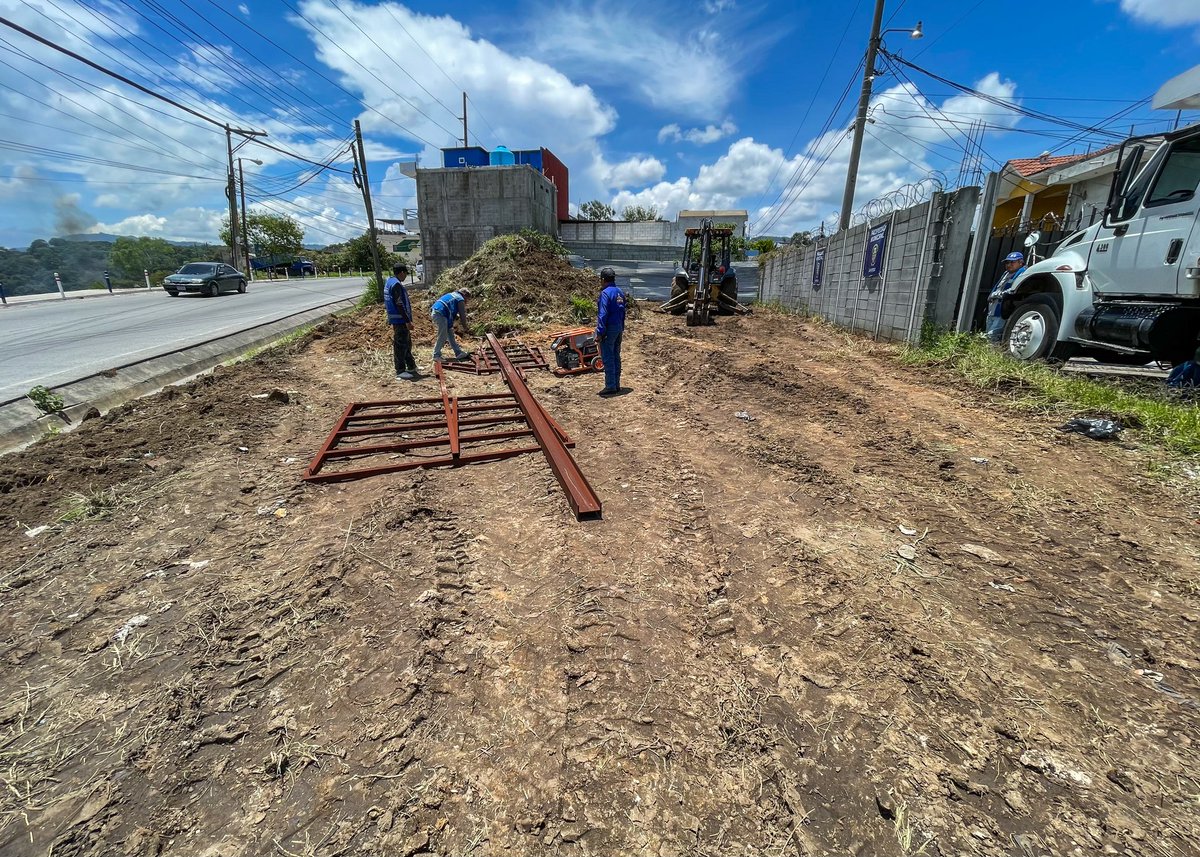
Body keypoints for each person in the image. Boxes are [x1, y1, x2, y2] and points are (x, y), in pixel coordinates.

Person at [594, 267, 627, 396]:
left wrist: (600, 332)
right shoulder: (620, 292)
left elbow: (603, 314)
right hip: (618, 328)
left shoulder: (605, 293)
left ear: (603, 279)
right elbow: (623, 312)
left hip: (609, 329)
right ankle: (616, 384)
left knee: (608, 357)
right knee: (616, 356)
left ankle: (610, 386)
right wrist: (621, 328)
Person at [384, 263, 419, 380]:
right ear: (402, 272)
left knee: (407, 343)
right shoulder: (396, 285)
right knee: (400, 345)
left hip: (397, 319)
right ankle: (400, 370)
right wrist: (407, 321)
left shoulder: (390, 281)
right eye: (405, 274)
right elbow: (399, 303)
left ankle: (411, 366)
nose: (405, 277)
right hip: (400, 320)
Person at [986, 251, 1026, 343]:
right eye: (1007, 262)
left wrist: (995, 295)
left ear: (1020, 262)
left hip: (1003, 311)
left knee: (993, 336)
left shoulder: (1022, 273)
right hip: (993, 310)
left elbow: (1013, 291)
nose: (1009, 265)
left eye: (1012, 262)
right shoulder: (1006, 273)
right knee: (988, 335)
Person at [431, 287, 473, 363]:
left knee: (450, 334)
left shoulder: (453, 294)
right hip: (440, 314)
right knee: (443, 335)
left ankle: (458, 352)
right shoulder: (460, 299)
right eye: (467, 299)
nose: (466, 302)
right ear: (465, 296)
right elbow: (462, 315)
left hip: (439, 312)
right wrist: (465, 327)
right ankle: (436, 355)